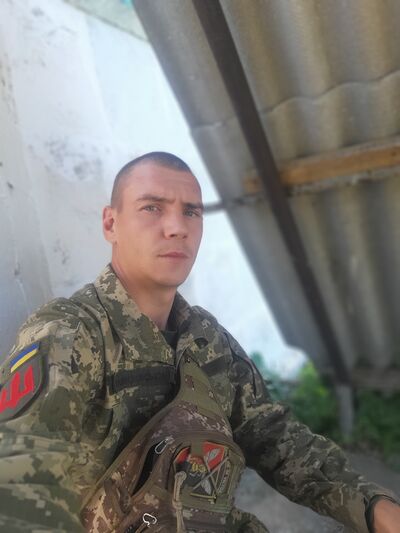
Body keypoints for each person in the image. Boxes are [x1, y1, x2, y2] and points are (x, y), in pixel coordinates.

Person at [0, 151, 398, 533]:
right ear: (110, 224)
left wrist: (371, 506)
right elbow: (17, 479)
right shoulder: (71, 335)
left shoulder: (205, 337)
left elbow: (275, 436)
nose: (177, 227)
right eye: (152, 207)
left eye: (191, 211)